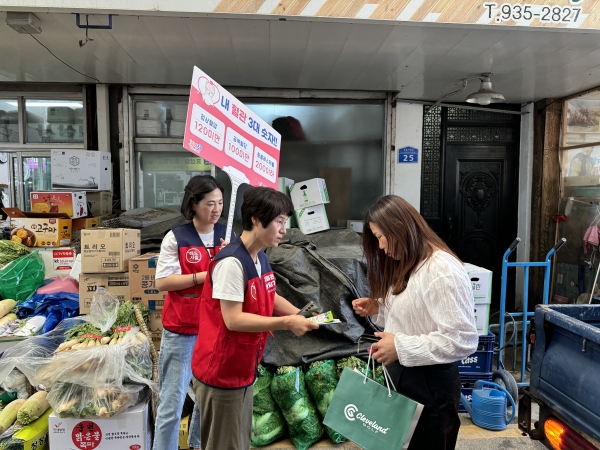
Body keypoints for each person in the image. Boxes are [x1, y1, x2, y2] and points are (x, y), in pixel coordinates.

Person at [191, 186, 319, 450]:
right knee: (224, 445)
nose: (284, 229)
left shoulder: (259, 257)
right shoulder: (231, 264)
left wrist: (299, 313)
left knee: (239, 442)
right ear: (257, 220)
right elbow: (233, 320)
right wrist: (286, 323)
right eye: (279, 222)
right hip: (222, 372)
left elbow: (268, 296)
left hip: (243, 368)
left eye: (286, 222)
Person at [352, 195, 478, 450]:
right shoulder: (410, 263)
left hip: (430, 385)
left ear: (399, 226)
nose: (381, 247)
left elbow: (461, 339)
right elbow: (417, 314)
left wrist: (400, 347)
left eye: (380, 237)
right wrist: (380, 305)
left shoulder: (440, 269)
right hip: (406, 377)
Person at [154, 175, 228, 450]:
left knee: (208, 398)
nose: (216, 209)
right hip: (182, 329)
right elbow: (163, 282)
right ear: (194, 204)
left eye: (220, 203)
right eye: (210, 203)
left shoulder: (227, 234)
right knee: (172, 402)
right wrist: (202, 276)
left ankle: (197, 444)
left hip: (216, 329)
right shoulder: (176, 237)